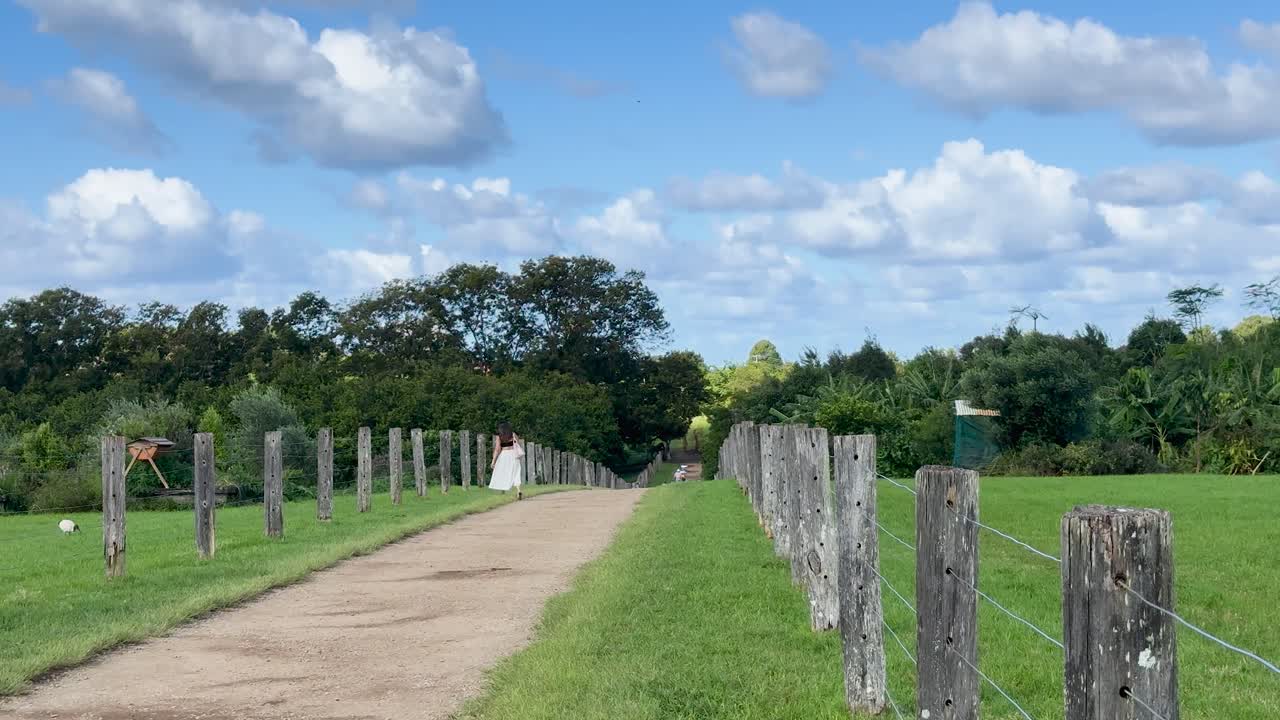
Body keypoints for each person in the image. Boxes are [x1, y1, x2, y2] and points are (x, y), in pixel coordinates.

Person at [488, 421, 525, 499]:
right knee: (516, 473)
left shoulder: (499, 436)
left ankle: (503, 490)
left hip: (504, 455)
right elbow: (518, 445)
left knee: (503, 472)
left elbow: (497, 449)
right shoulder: (513, 434)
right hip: (514, 455)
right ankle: (518, 490)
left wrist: (493, 461)